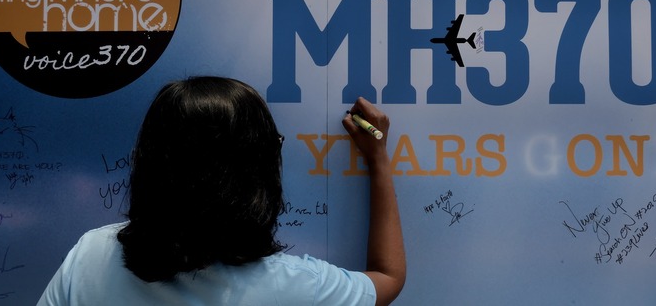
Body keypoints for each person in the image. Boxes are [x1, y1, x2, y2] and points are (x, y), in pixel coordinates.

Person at [37, 76, 405, 305]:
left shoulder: (89, 256)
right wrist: (378, 158)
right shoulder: (293, 287)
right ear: (255, 176)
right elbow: (388, 279)